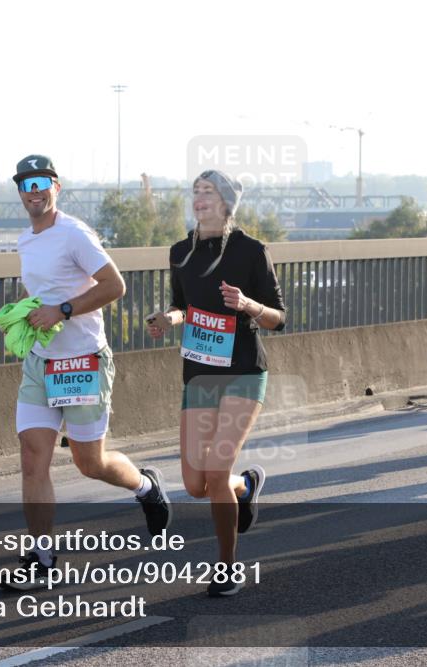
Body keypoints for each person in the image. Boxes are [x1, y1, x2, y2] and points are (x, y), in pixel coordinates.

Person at [5, 154, 170, 590]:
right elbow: (41, 289)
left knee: (89, 463)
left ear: (56, 187)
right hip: (42, 363)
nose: (33, 190)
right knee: (31, 458)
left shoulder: (74, 234)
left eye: (41, 181)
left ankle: (144, 487)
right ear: (19, 191)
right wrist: (27, 314)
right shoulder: (26, 240)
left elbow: (115, 286)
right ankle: (42, 558)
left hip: (82, 362)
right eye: (25, 183)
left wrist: (61, 309)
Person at [147, 169, 285, 597]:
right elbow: (182, 305)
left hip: (244, 371)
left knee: (217, 469)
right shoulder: (180, 251)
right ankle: (246, 487)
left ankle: (227, 568)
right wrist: (166, 319)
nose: (199, 198)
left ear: (226, 202)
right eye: (196, 191)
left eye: (208, 192)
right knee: (196, 484)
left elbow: (279, 318)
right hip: (200, 375)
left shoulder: (250, 251)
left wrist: (246, 304)